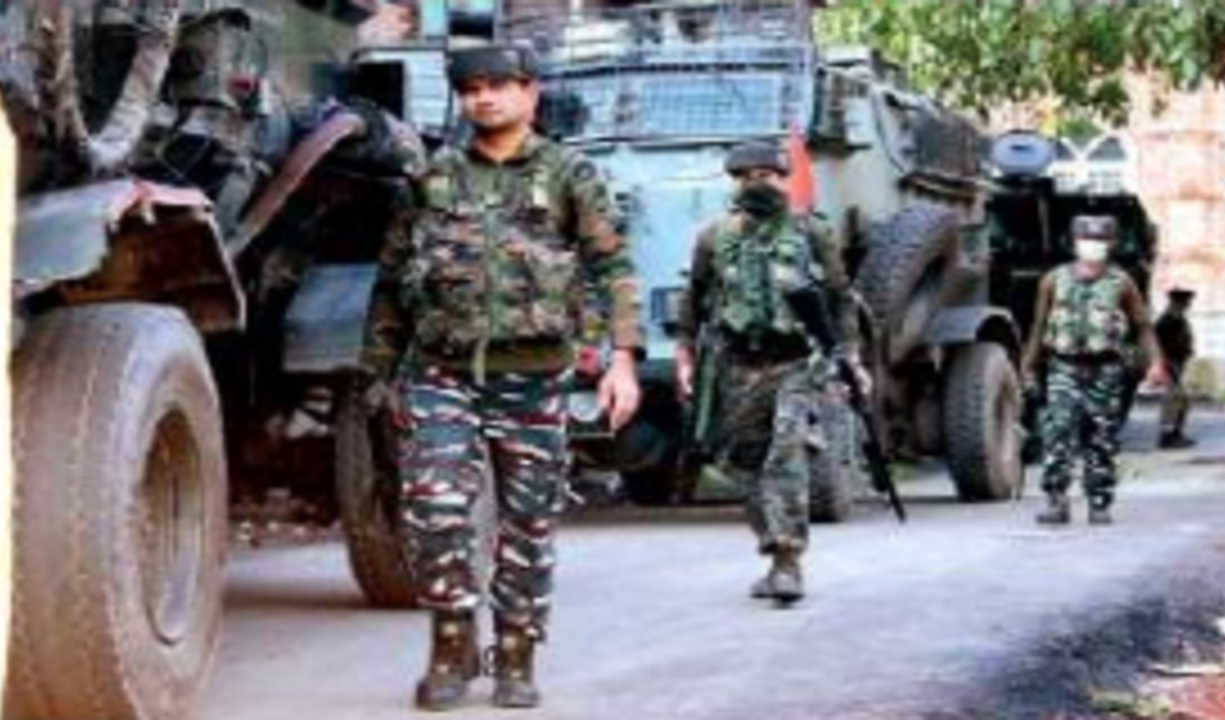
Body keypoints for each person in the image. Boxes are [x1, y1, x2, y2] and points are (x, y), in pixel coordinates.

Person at [362, 44, 644, 711]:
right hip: (442, 372)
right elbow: (391, 283)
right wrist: (378, 373)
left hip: (536, 377)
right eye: (471, 90)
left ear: (529, 93)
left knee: (528, 523)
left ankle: (516, 654)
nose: (483, 98)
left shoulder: (569, 173)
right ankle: (451, 644)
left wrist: (622, 360)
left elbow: (612, 269)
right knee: (434, 510)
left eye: (498, 86)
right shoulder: (432, 178)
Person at [675, 141, 863, 606]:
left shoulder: (812, 232)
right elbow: (694, 298)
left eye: (766, 175)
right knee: (747, 463)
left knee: (786, 453)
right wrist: (684, 355)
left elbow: (840, 297)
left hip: (797, 362)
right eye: (745, 176)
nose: (755, 183)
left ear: (783, 179)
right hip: (738, 366)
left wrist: (850, 357)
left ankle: (787, 561)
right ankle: (772, 547)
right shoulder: (714, 236)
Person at [1022, 215, 1167, 526]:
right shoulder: (1053, 280)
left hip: (1106, 370)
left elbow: (1142, 326)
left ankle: (1099, 503)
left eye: (1100, 240)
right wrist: (1028, 366)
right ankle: (1056, 501)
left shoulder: (1122, 282)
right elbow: (1039, 325)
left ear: (1111, 244)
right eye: (1087, 239)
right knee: (1057, 433)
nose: (1093, 245)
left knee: (1101, 437)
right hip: (1063, 367)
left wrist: (1156, 363)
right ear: (1074, 242)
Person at [1155, 287, 1198, 449]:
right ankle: (1167, 437)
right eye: (1186, 301)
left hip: (1177, 362)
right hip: (1170, 363)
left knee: (1182, 400)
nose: (1189, 304)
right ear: (1177, 302)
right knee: (1174, 399)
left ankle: (1176, 434)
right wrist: (1165, 363)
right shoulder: (1167, 320)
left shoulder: (1178, 318)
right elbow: (1158, 345)